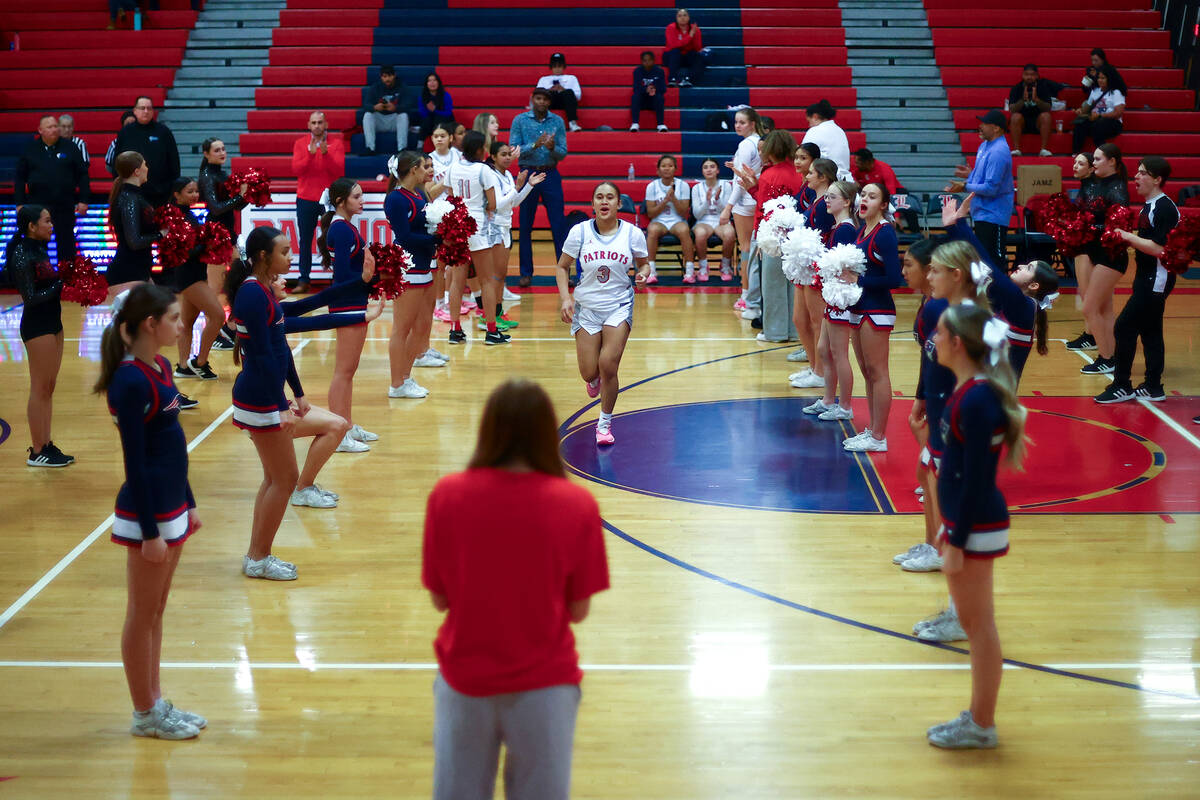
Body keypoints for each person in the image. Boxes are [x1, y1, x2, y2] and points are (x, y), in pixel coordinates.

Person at [423, 379, 609, 799]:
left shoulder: (447, 496)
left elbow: (439, 598)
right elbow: (578, 610)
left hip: (465, 680)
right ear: (547, 433)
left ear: (487, 429)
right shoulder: (578, 505)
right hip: (546, 684)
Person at [227, 226, 379, 579]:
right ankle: (258, 557)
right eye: (283, 251)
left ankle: (256, 556)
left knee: (275, 479)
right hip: (260, 398)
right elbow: (265, 355)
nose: (290, 255)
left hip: (264, 396)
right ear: (264, 256)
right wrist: (280, 404)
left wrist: (360, 292)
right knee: (283, 480)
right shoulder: (253, 295)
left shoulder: (262, 291)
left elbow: (291, 330)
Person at [94, 283, 205, 740]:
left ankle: (156, 701)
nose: (182, 326)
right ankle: (144, 713)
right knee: (142, 613)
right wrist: (149, 532)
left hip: (172, 504)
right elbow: (135, 464)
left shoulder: (159, 366)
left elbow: (174, 440)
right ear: (149, 324)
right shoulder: (129, 381)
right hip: (149, 513)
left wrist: (191, 501)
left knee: (156, 610)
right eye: (176, 319)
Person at [926, 303, 1027, 750]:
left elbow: (977, 480)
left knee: (979, 627)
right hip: (968, 521)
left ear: (958, 343)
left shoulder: (979, 399)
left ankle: (982, 723)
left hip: (977, 523)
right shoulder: (969, 391)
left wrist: (957, 541)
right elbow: (958, 470)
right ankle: (980, 719)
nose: (933, 337)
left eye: (940, 331)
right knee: (976, 624)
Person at [557, 181, 651, 445]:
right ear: (593, 204)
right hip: (586, 307)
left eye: (610, 197)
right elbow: (562, 267)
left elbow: (644, 264)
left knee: (609, 364)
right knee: (589, 371)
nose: (604, 201)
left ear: (618, 204)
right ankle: (593, 379)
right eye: (599, 197)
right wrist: (566, 298)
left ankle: (604, 424)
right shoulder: (579, 232)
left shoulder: (632, 233)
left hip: (618, 305)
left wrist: (643, 275)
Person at [1096, 157, 1180, 405]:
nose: (1137, 177)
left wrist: (1127, 237)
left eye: (1143, 173)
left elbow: (1160, 249)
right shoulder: (1149, 206)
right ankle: (1154, 386)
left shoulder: (1163, 207)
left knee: (1123, 327)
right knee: (1151, 331)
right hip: (1147, 277)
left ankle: (1122, 385)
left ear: (1157, 179)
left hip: (1157, 279)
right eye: (1137, 173)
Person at [836, 181, 901, 453]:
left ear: (883, 204)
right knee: (867, 373)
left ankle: (879, 436)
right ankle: (874, 430)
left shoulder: (884, 234)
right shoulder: (863, 230)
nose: (864, 199)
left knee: (877, 372)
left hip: (877, 310)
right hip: (860, 308)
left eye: (872, 196)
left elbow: (895, 279)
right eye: (863, 194)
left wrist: (858, 279)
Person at [5, 205, 71, 468]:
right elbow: (30, 298)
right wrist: (61, 284)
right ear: (32, 226)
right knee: (40, 388)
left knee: (49, 388)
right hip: (37, 325)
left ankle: (47, 443)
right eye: (47, 221)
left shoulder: (40, 248)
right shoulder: (21, 252)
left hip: (53, 322)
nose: (51, 225)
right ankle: (37, 450)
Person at [317, 178, 379, 448]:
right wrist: (367, 278)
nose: (361, 200)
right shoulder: (340, 230)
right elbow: (342, 276)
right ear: (341, 201)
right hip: (346, 304)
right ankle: (337, 433)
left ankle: (347, 425)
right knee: (343, 371)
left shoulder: (345, 226)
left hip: (354, 301)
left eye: (362, 195)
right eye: (356, 196)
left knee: (349, 370)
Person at [731, 129, 806, 344]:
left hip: (772, 237)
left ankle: (775, 332)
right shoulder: (798, 172)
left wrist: (759, 238)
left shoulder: (770, 175)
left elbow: (764, 209)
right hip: (796, 236)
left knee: (772, 286)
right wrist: (755, 188)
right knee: (793, 286)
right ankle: (792, 331)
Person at [386, 151, 444, 399]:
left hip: (422, 266)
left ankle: (406, 377)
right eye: (424, 167)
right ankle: (397, 383)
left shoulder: (417, 194)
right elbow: (404, 237)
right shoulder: (396, 199)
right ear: (412, 170)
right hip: (408, 268)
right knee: (403, 329)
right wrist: (438, 238)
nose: (428, 171)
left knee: (419, 327)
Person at [163, 177, 227, 383]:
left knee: (188, 322)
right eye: (190, 192)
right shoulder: (174, 217)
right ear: (177, 194)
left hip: (195, 273)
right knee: (217, 316)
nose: (195, 195)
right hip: (188, 275)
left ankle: (183, 366)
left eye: (196, 191)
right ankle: (200, 362)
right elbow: (184, 252)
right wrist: (206, 245)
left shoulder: (187, 213)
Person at [446, 131, 506, 345]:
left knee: (457, 281)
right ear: (481, 150)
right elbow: (492, 203)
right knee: (487, 280)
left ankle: (455, 329)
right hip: (478, 227)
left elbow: (451, 197)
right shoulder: (484, 170)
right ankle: (491, 331)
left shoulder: (452, 167)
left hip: (457, 227)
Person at [1077, 143, 1129, 377]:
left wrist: (1090, 226)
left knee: (1089, 306)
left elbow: (1118, 224)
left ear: (1112, 162)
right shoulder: (1097, 183)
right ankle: (1112, 356)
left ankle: (1106, 358)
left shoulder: (1117, 187)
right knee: (1104, 309)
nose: (1094, 162)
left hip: (1111, 255)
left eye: (1098, 159)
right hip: (1098, 253)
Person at [511, 86, 569, 287]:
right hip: (528, 172)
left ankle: (564, 272)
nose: (541, 102)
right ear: (532, 99)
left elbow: (563, 153)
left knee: (558, 225)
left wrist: (553, 148)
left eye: (545, 99)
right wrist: (535, 145)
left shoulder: (558, 121)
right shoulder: (520, 120)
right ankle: (526, 273)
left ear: (549, 102)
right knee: (525, 226)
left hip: (551, 172)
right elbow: (514, 150)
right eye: (538, 98)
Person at [788, 158, 838, 389]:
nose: (806, 176)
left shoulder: (826, 202)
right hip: (805, 266)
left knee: (817, 322)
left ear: (823, 177)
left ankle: (821, 372)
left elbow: (825, 237)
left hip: (816, 268)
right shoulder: (815, 200)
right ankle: (813, 366)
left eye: (811, 173)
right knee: (800, 319)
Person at [15, 115, 89, 266]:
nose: (55, 129)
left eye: (56, 126)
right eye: (50, 127)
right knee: (38, 245)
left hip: (65, 204)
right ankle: (41, 279)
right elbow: (20, 178)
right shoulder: (31, 149)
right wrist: (19, 203)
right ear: (40, 130)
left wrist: (84, 199)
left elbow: (82, 175)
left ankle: (68, 282)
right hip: (38, 206)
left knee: (67, 244)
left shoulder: (70, 147)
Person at [945, 109, 1013, 268]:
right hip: (982, 212)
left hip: (993, 214)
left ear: (996, 128)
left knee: (994, 260)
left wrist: (964, 186)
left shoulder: (998, 151)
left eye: (984, 123)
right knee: (982, 259)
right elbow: (986, 177)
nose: (980, 126)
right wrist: (971, 175)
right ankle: (986, 292)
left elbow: (991, 188)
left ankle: (1001, 292)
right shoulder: (985, 145)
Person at [198, 137, 246, 351]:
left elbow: (235, 206)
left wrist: (247, 195)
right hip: (215, 236)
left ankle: (228, 327)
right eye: (217, 150)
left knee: (239, 279)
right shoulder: (207, 176)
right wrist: (239, 198)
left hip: (228, 234)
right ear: (206, 154)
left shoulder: (221, 174)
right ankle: (215, 332)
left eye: (224, 149)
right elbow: (216, 208)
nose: (222, 152)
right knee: (215, 288)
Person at [290, 111, 345, 294]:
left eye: (320, 122)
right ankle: (304, 279)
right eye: (314, 122)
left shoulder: (336, 143)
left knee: (333, 239)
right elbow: (296, 170)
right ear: (308, 125)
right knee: (305, 240)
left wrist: (326, 154)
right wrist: (310, 155)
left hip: (328, 198)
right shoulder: (300, 144)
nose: (317, 126)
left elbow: (339, 171)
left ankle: (337, 277)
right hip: (305, 198)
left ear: (326, 124)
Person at [487, 139, 542, 312]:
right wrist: (517, 187)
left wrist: (528, 187)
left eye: (509, 154)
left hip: (505, 226)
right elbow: (498, 204)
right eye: (503, 155)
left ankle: (498, 312)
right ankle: (491, 315)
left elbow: (513, 203)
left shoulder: (508, 175)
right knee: (495, 275)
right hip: (493, 227)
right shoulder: (491, 176)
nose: (508, 158)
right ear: (493, 157)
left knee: (501, 275)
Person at [721, 108, 765, 309]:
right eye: (736, 122)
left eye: (742, 122)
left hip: (744, 201)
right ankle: (752, 293)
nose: (738, 125)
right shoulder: (759, 142)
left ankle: (746, 294)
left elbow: (741, 180)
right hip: (756, 198)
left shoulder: (746, 144)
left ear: (753, 123)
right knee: (754, 248)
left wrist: (728, 207)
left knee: (747, 248)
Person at [105, 151, 161, 296]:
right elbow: (134, 241)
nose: (147, 168)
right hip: (127, 272)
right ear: (137, 171)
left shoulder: (134, 195)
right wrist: (161, 235)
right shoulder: (130, 198)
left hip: (139, 269)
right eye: (145, 165)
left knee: (161, 314)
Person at [113, 96, 180, 208]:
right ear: (135, 111)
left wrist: (171, 188)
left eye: (149, 108)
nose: (146, 111)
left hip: (160, 194)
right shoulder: (125, 132)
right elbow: (117, 161)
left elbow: (174, 162)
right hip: (132, 191)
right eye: (142, 108)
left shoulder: (163, 132)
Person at [1064, 151, 1097, 351]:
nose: (1075, 166)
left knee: (1088, 295)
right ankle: (1090, 334)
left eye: (1081, 163)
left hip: (1088, 247)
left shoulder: (1093, 189)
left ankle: (1093, 336)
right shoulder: (1086, 187)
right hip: (1082, 245)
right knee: (1085, 294)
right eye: (1075, 162)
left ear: (1092, 168)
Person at [644, 154, 693, 284]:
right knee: (652, 230)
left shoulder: (683, 186)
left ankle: (689, 272)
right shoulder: (652, 186)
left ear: (675, 169)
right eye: (663, 166)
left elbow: (683, 213)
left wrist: (674, 199)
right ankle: (651, 271)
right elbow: (651, 214)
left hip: (677, 220)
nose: (667, 168)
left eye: (670, 166)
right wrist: (665, 201)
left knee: (684, 230)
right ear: (658, 170)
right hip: (659, 221)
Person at [689, 157, 735, 282]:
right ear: (702, 171)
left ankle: (725, 266)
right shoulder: (696, 188)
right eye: (705, 167)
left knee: (730, 234)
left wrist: (718, 199)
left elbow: (727, 210)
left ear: (718, 170)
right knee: (700, 234)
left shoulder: (726, 185)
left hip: (721, 220)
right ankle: (703, 267)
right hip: (703, 221)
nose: (709, 170)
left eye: (712, 166)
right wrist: (707, 201)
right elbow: (697, 215)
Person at [1007, 64, 1060, 157]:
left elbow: (1048, 108)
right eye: (1027, 74)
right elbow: (1012, 109)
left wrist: (1037, 100)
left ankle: (1043, 150)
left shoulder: (1043, 87)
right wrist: (1022, 100)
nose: (1029, 77)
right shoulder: (1016, 88)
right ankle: (1016, 150)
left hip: (1038, 122)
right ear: (1023, 75)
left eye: (1032, 75)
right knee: (1015, 116)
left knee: (1046, 116)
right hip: (1022, 123)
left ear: (1037, 76)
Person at [1071, 66, 1125, 153]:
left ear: (1109, 79)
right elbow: (1087, 108)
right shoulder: (1095, 91)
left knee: (1098, 125)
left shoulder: (1116, 92)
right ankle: (1076, 153)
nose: (1100, 80)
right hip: (1095, 120)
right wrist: (1080, 111)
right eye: (1099, 78)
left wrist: (1100, 115)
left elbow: (1118, 113)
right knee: (1080, 125)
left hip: (1112, 123)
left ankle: (1103, 154)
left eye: (1103, 78)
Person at [362, 65, 410, 156]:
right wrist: (375, 107)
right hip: (379, 120)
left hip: (394, 120)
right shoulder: (375, 87)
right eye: (384, 76)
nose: (387, 79)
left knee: (403, 115)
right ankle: (370, 148)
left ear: (394, 75)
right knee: (368, 115)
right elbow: (365, 104)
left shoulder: (402, 87)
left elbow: (408, 105)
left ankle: (402, 149)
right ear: (381, 77)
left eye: (389, 76)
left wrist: (396, 108)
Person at [801, 99, 851, 180]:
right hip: (846, 181)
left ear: (815, 117)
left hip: (828, 181)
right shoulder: (840, 131)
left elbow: (803, 156)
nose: (809, 125)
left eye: (809, 121)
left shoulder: (815, 131)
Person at [538, 53, 583, 132]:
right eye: (555, 66)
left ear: (564, 67)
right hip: (550, 101)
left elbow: (578, 96)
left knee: (568, 92)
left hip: (566, 102)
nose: (557, 69)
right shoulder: (543, 79)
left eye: (559, 66)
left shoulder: (571, 78)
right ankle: (543, 122)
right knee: (547, 94)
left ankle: (572, 123)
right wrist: (549, 90)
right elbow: (537, 96)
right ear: (551, 68)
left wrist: (563, 90)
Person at [629, 51, 669, 133]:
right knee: (635, 96)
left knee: (659, 97)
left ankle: (660, 124)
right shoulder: (637, 71)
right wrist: (646, 90)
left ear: (653, 61)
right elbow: (636, 88)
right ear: (641, 61)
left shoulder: (659, 71)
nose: (647, 62)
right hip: (642, 101)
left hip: (654, 101)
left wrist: (654, 89)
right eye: (644, 60)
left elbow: (663, 89)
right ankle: (635, 124)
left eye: (649, 60)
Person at [664, 8, 704, 87]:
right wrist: (690, 36)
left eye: (685, 15)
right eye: (680, 16)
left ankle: (687, 79)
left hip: (687, 56)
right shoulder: (671, 28)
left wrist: (694, 35)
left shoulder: (695, 29)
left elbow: (697, 48)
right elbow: (673, 45)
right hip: (671, 57)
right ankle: (672, 79)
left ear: (689, 18)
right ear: (676, 18)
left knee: (698, 56)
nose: (682, 18)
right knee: (675, 52)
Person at [416, 72, 456, 144]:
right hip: (429, 122)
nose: (432, 83)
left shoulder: (445, 95)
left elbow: (448, 113)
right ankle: (420, 146)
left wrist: (435, 110)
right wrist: (430, 111)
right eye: (429, 81)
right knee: (426, 120)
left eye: (434, 80)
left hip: (444, 121)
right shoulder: (422, 97)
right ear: (426, 84)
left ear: (438, 83)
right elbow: (422, 113)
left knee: (439, 118)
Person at [105, 109, 137, 177]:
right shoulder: (115, 143)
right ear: (123, 125)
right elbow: (108, 166)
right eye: (127, 124)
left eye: (133, 124)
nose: (130, 126)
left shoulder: (143, 141)